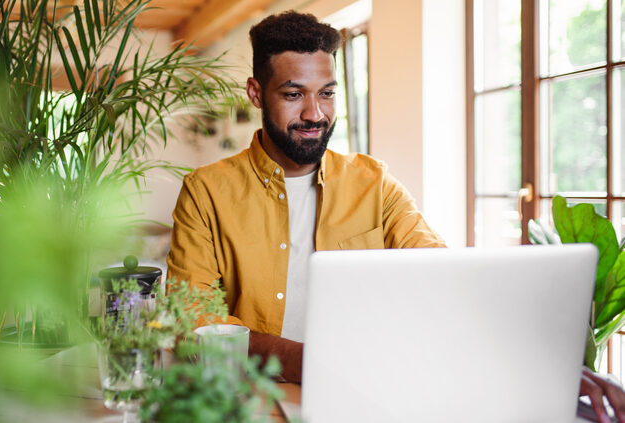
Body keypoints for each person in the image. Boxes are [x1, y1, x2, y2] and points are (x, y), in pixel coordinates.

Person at [166, 11, 625, 422]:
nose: (315, 113)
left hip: (375, 399)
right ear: (255, 92)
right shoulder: (206, 192)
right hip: (257, 404)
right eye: (293, 94)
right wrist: (312, 360)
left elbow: (444, 281)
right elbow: (195, 328)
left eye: (327, 93)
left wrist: (545, 365)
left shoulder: (374, 183)